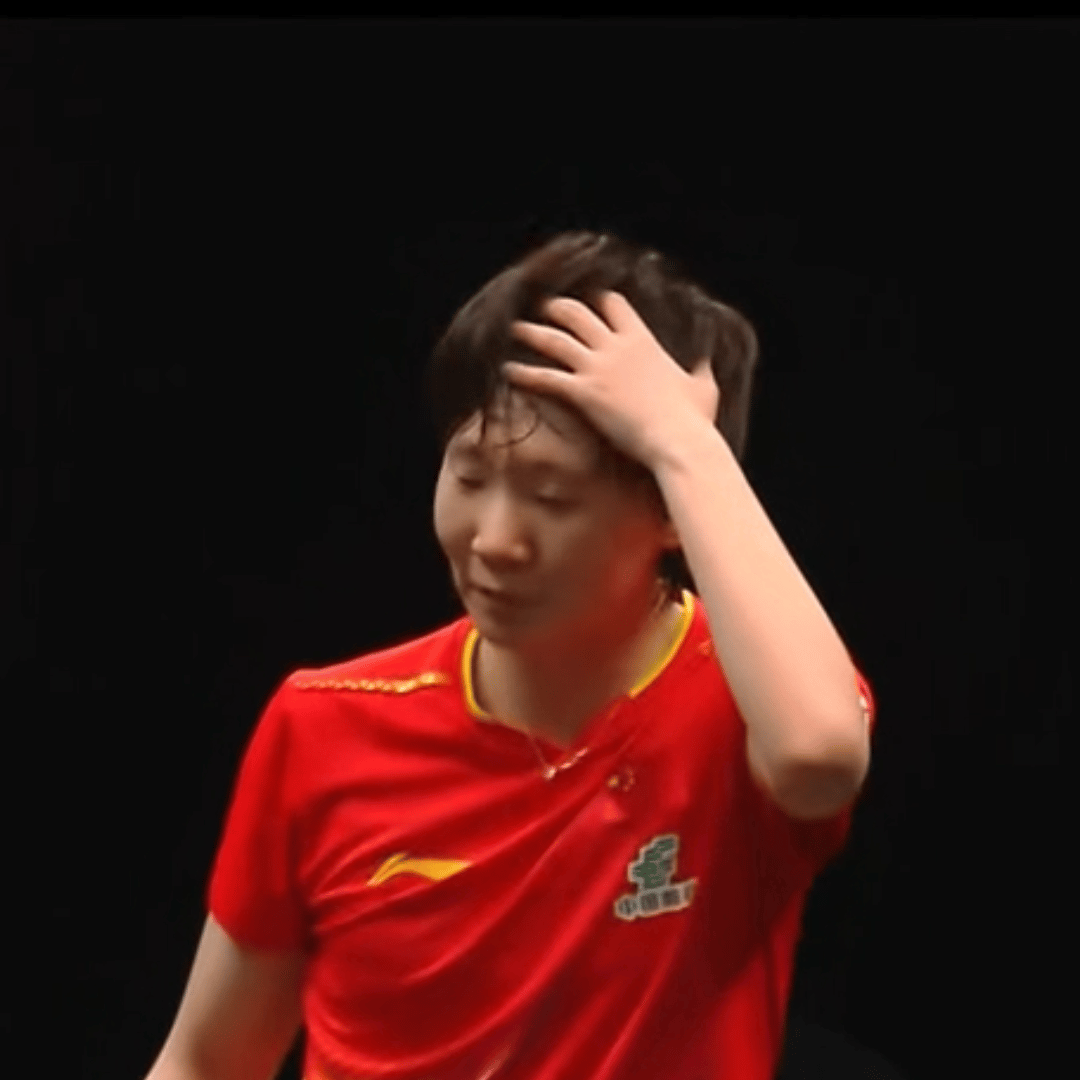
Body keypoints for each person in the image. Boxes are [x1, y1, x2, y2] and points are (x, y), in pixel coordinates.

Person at [144, 231, 875, 1080]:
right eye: (468, 476)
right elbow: (204, 1061)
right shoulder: (323, 724)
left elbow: (819, 756)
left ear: (670, 510)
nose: (494, 540)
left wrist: (684, 439)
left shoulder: (747, 698)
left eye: (551, 497)